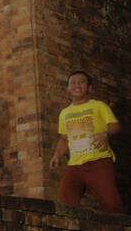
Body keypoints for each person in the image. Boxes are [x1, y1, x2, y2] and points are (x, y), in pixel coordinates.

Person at [49, 70, 124, 213]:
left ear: (89, 87)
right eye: (73, 83)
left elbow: (115, 126)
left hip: (99, 161)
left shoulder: (98, 106)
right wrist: (56, 155)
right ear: (68, 88)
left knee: (111, 204)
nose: (77, 85)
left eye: (82, 82)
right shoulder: (64, 113)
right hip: (75, 165)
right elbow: (64, 138)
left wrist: (105, 134)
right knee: (67, 201)